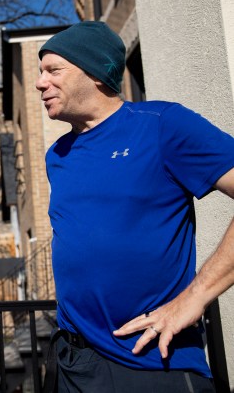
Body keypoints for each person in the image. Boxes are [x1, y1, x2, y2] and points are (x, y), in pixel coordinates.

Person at [36, 21, 234, 392]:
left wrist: (196, 296)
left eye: (53, 70)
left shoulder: (162, 125)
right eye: (40, 72)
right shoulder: (57, 156)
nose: (40, 83)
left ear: (94, 72)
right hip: (72, 364)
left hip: (150, 362)